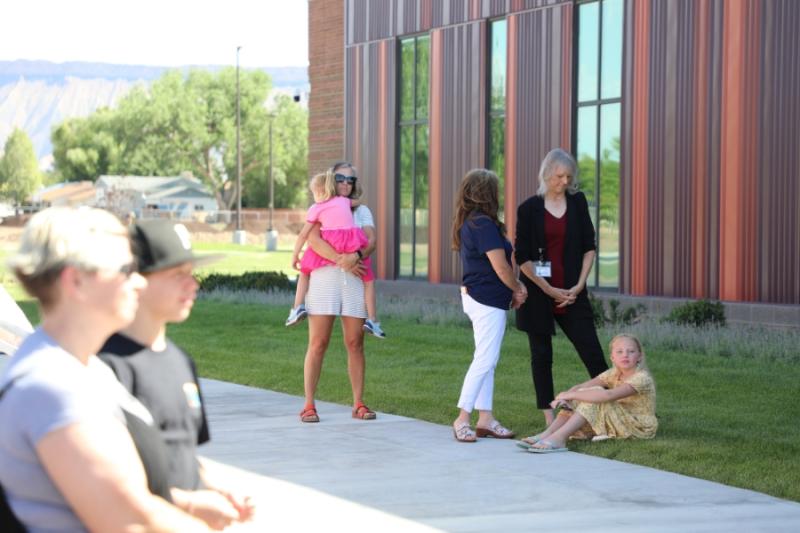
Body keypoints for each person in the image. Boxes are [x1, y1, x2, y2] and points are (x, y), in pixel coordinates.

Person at [0, 207, 211, 532]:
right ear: (76, 280)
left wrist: (191, 502)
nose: (140, 282)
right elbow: (128, 522)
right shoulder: (49, 386)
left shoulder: (84, 368)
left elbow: (120, 493)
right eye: (127, 269)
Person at [98, 219, 254, 529]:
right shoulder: (106, 367)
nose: (193, 284)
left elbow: (183, 452)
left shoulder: (181, 361)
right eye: (177, 274)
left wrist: (215, 489)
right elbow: (105, 478)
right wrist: (190, 505)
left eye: (191, 273)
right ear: (137, 280)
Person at [514, 148, 609, 426]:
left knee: (592, 351)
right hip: (539, 295)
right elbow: (522, 257)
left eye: (569, 176)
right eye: (559, 176)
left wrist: (579, 285)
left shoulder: (578, 203)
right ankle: (548, 417)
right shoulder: (529, 209)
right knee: (542, 357)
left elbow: (589, 247)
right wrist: (547, 289)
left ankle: (615, 408)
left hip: (572, 294)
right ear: (546, 174)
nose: (565, 182)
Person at [451, 169, 527, 443]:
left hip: (479, 297)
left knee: (488, 359)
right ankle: (462, 418)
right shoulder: (483, 225)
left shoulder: (472, 223)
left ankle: (486, 419)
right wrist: (518, 288)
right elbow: (501, 267)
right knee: (485, 359)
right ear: (488, 194)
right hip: (486, 299)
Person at [299, 161, 378, 423]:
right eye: (341, 178)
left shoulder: (361, 210)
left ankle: (358, 404)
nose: (346, 183)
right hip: (324, 279)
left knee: (355, 342)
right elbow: (313, 239)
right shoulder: (322, 205)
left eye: (351, 180)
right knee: (318, 343)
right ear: (331, 179)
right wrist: (341, 260)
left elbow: (371, 240)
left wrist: (354, 256)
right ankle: (309, 405)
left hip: (354, 280)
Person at [286, 172, 385, 338]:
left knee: (304, 271)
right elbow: (358, 201)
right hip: (352, 241)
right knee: (368, 281)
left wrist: (295, 255)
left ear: (324, 191)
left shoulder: (317, 209)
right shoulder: (343, 201)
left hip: (332, 243)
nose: (315, 197)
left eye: (316, 193)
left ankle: (297, 307)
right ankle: (372, 319)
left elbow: (304, 235)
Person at [519, 333, 657, 453]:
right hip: (618, 416)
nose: (625, 355)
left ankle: (559, 439)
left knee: (594, 395)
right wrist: (566, 397)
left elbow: (608, 395)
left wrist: (571, 395)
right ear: (612, 358)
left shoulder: (642, 377)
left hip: (636, 425)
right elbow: (582, 386)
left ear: (639, 356)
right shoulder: (613, 373)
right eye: (619, 352)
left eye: (631, 351)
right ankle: (548, 434)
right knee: (584, 393)